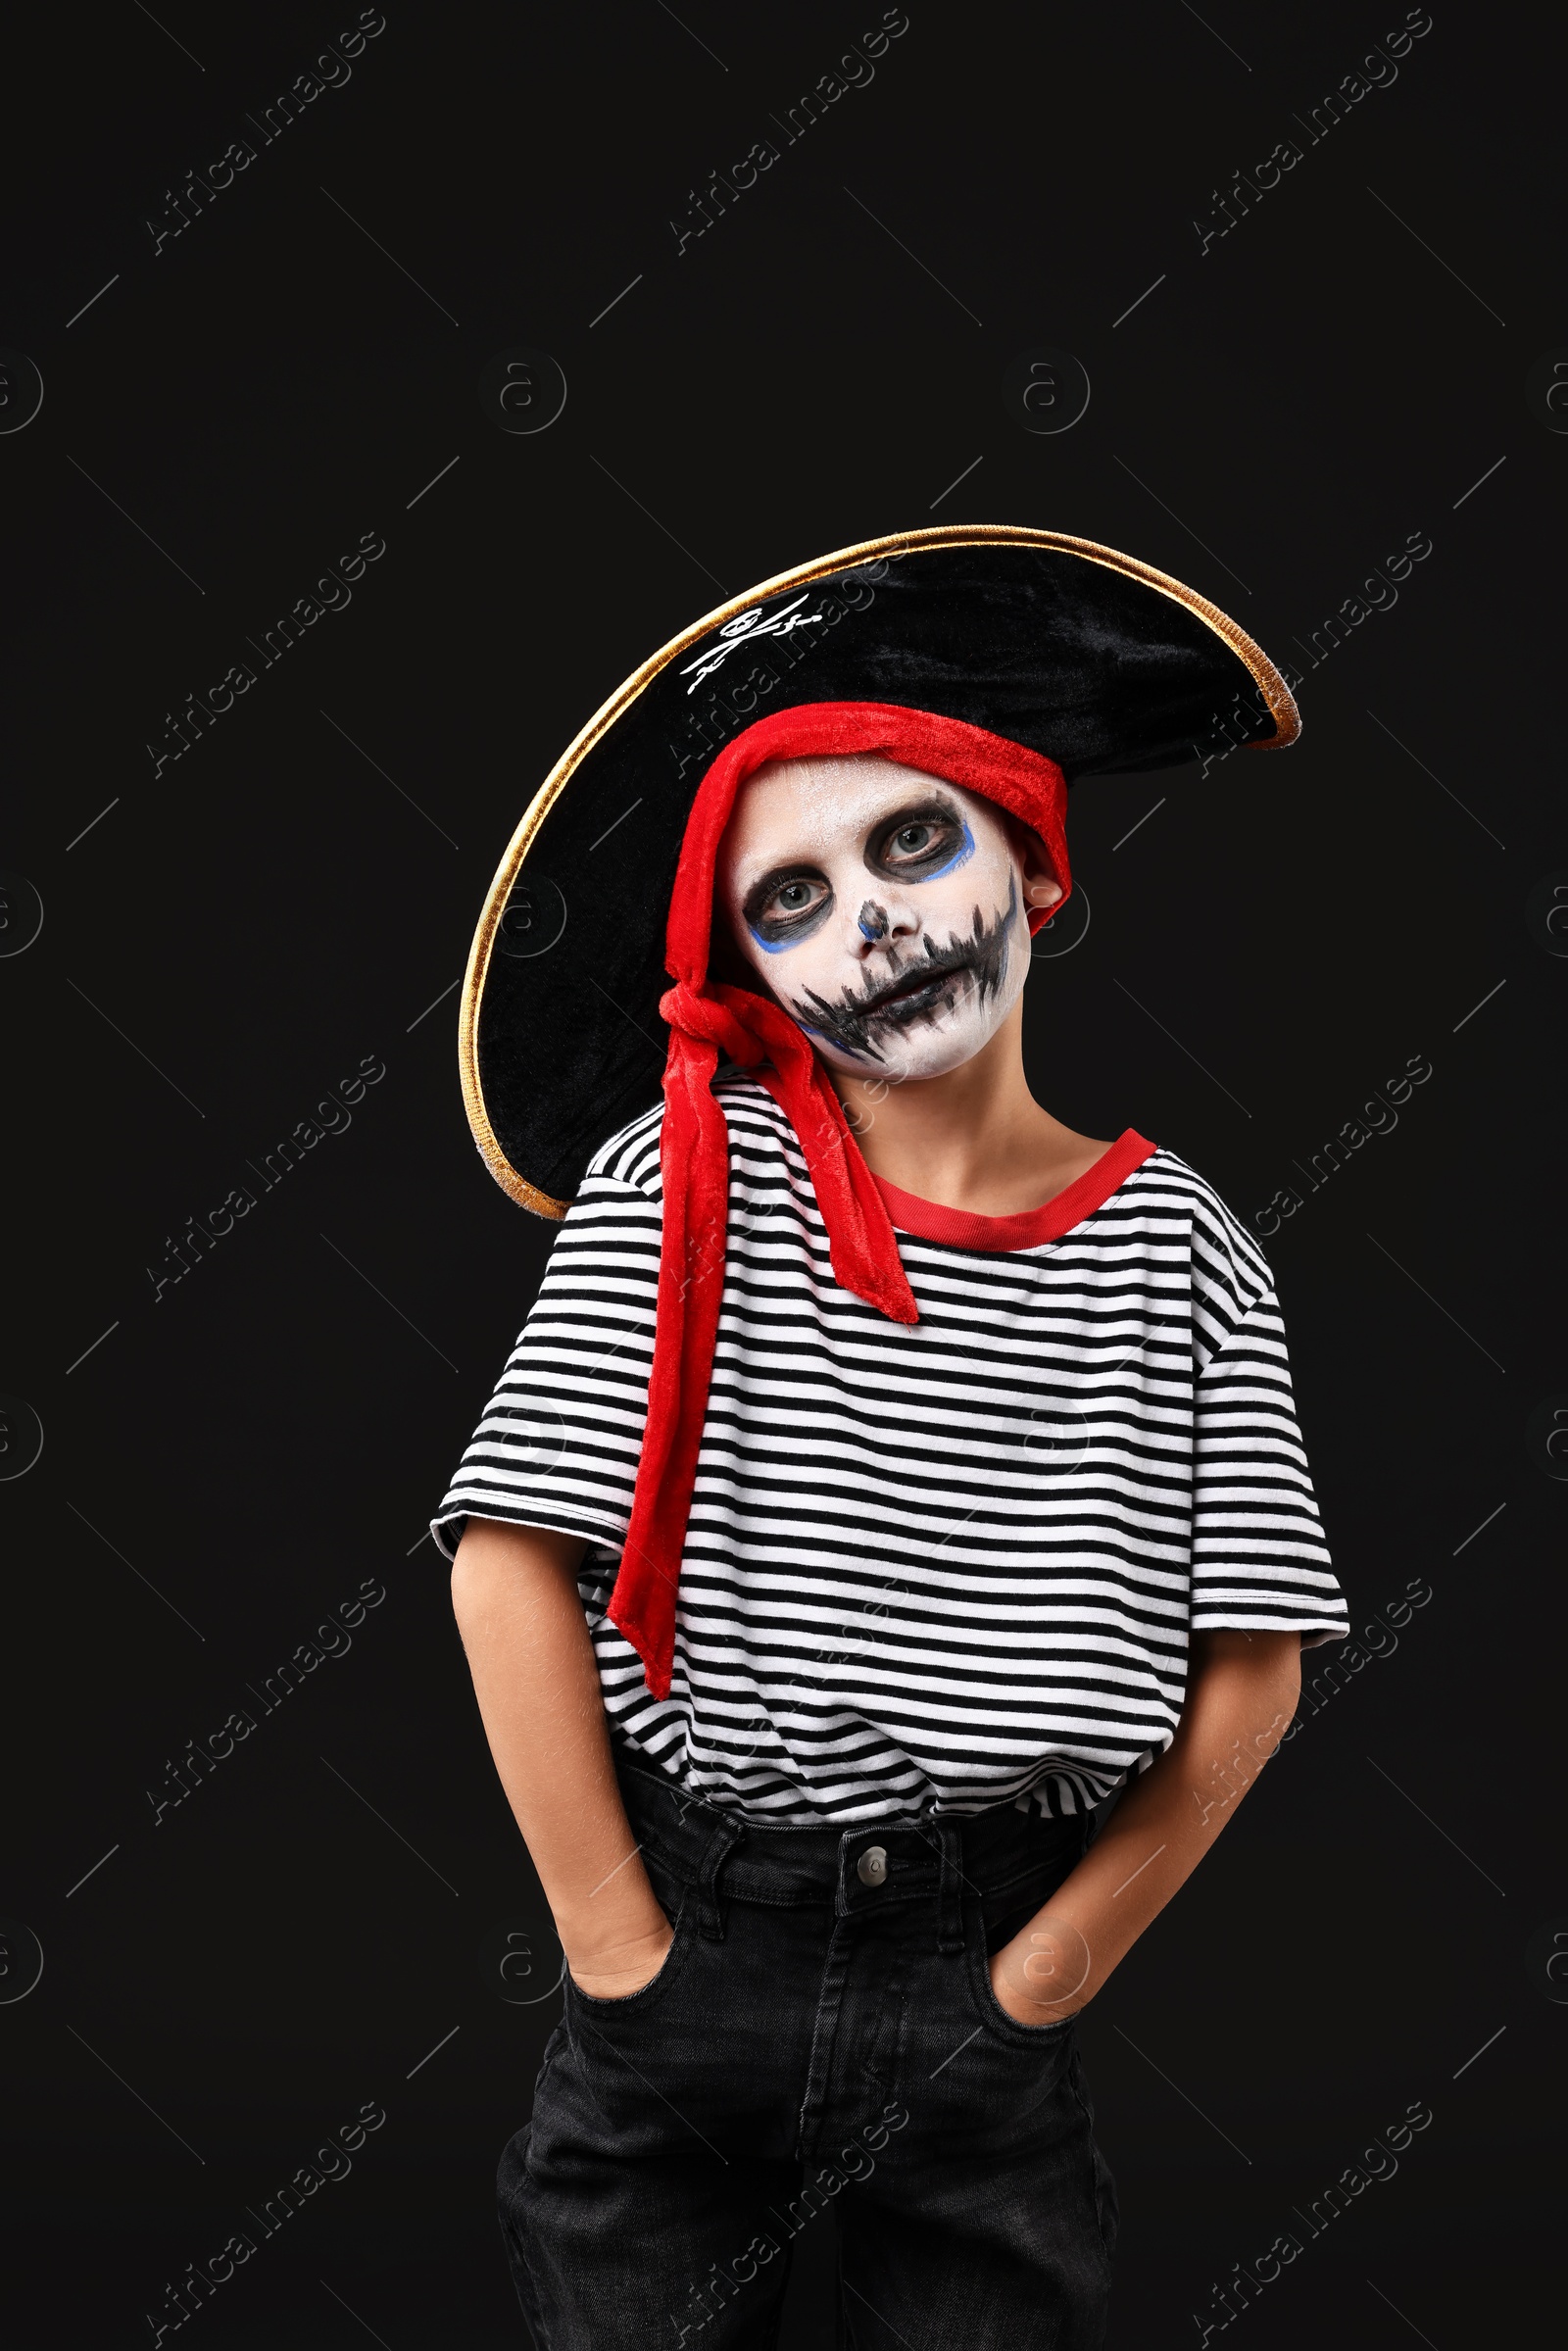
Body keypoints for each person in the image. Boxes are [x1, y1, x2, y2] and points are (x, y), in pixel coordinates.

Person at [433, 529, 1348, 2348]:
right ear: (756, 969)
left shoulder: (1176, 1253)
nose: (869, 918)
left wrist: (1043, 1977)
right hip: (699, 1936)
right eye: (791, 900)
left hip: (981, 1977)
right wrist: (619, 1954)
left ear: (1029, 846)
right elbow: (510, 1567)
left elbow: (1254, 1673)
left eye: (911, 840)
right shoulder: (683, 1188)